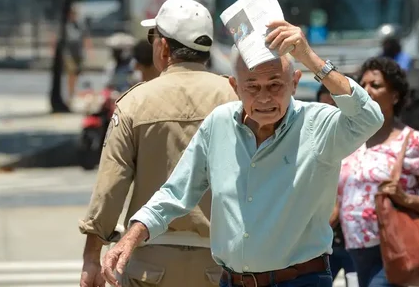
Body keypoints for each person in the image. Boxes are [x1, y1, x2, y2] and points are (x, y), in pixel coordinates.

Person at [100, 19, 385, 287]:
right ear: (235, 87)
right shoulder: (219, 123)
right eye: (252, 87)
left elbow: (369, 118)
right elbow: (176, 193)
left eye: (275, 85)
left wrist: (310, 57)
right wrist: (130, 238)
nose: (264, 98)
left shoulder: (318, 124)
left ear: (295, 83)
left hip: (300, 280)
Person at [78, 0, 238, 287]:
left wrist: (91, 258)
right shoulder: (236, 98)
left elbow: (110, 187)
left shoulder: (135, 103)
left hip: (149, 262)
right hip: (222, 261)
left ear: (163, 47)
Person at [338, 57, 419, 287]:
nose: (366, 90)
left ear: (395, 96)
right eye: (362, 85)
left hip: (392, 250)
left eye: (376, 85)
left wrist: (407, 199)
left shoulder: (413, 143)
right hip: (352, 250)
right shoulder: (350, 138)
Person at [317, 84, 357, 287]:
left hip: (356, 243)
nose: (331, 110)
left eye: (336, 104)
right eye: (326, 103)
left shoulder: (360, 140)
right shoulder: (313, 143)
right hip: (323, 244)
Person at [63, 6, 93, 105]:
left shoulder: (80, 25)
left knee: (76, 74)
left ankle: (73, 92)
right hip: (69, 53)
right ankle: (70, 95)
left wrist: (89, 51)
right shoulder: (65, 25)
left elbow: (86, 37)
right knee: (71, 73)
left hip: (78, 53)